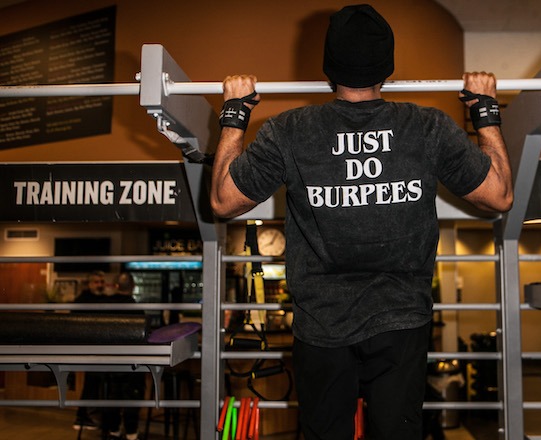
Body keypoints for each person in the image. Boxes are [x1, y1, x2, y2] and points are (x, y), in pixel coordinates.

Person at [210, 4, 513, 439]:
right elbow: (500, 194)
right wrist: (485, 110)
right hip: (401, 322)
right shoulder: (427, 127)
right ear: (386, 68)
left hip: (323, 324)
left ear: (328, 69)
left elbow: (223, 200)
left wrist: (234, 115)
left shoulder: (289, 131)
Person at [100, 273, 146, 440]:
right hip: (131, 360)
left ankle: (113, 431)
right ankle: (132, 433)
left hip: (109, 359)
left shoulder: (106, 305)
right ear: (133, 287)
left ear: (117, 286)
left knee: (113, 394)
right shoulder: (135, 308)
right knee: (132, 395)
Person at [72, 270, 107, 431]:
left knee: (94, 382)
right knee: (92, 382)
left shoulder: (100, 299)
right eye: (97, 282)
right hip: (90, 347)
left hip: (97, 346)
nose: (100, 285)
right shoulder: (82, 301)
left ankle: (85, 416)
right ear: (89, 283)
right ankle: (82, 417)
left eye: (102, 282)